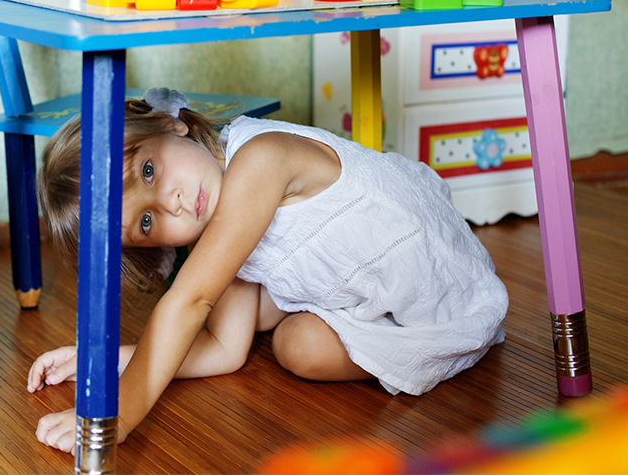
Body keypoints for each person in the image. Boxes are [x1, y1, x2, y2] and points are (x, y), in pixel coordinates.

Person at [28, 88, 508, 454]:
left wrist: (113, 416)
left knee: (286, 339)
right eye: (147, 222)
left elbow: (189, 302)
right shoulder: (218, 219)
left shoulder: (260, 159)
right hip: (369, 280)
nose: (171, 202)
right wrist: (110, 360)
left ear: (170, 127)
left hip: (438, 286)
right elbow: (223, 349)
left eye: (150, 172)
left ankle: (433, 344)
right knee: (292, 342)